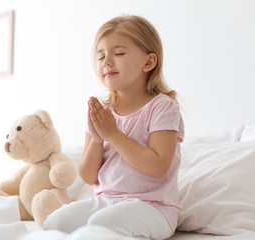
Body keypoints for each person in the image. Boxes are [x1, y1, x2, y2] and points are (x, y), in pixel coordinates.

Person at [43, 15, 184, 240]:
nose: (106, 61)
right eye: (100, 56)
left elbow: (158, 167)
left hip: (153, 207)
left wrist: (112, 134)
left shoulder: (162, 107)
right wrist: (99, 138)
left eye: (118, 53)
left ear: (148, 62)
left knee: (101, 225)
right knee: (55, 223)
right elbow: (89, 176)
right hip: (105, 201)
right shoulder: (102, 112)